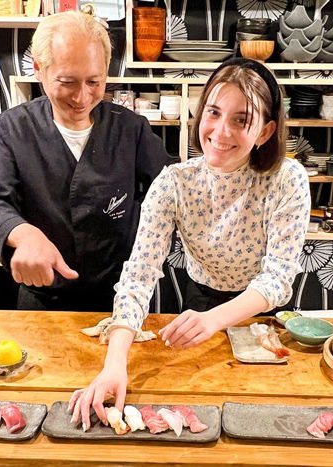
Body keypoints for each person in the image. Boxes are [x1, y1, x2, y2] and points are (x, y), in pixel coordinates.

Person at [69, 58, 311, 429]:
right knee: (204, 409)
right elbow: (139, 275)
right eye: (214, 112)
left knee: (265, 417)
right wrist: (114, 364)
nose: (220, 131)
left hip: (262, 314)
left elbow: (277, 279)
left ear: (265, 131)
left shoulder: (287, 179)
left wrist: (215, 320)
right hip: (200, 300)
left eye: (241, 120)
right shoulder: (174, 183)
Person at [0, 12, 170, 311]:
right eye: (67, 82)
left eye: (94, 81)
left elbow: (168, 191)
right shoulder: (13, 129)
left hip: (121, 293)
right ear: (39, 69)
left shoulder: (131, 129)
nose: (82, 97)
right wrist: (23, 235)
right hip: (44, 296)